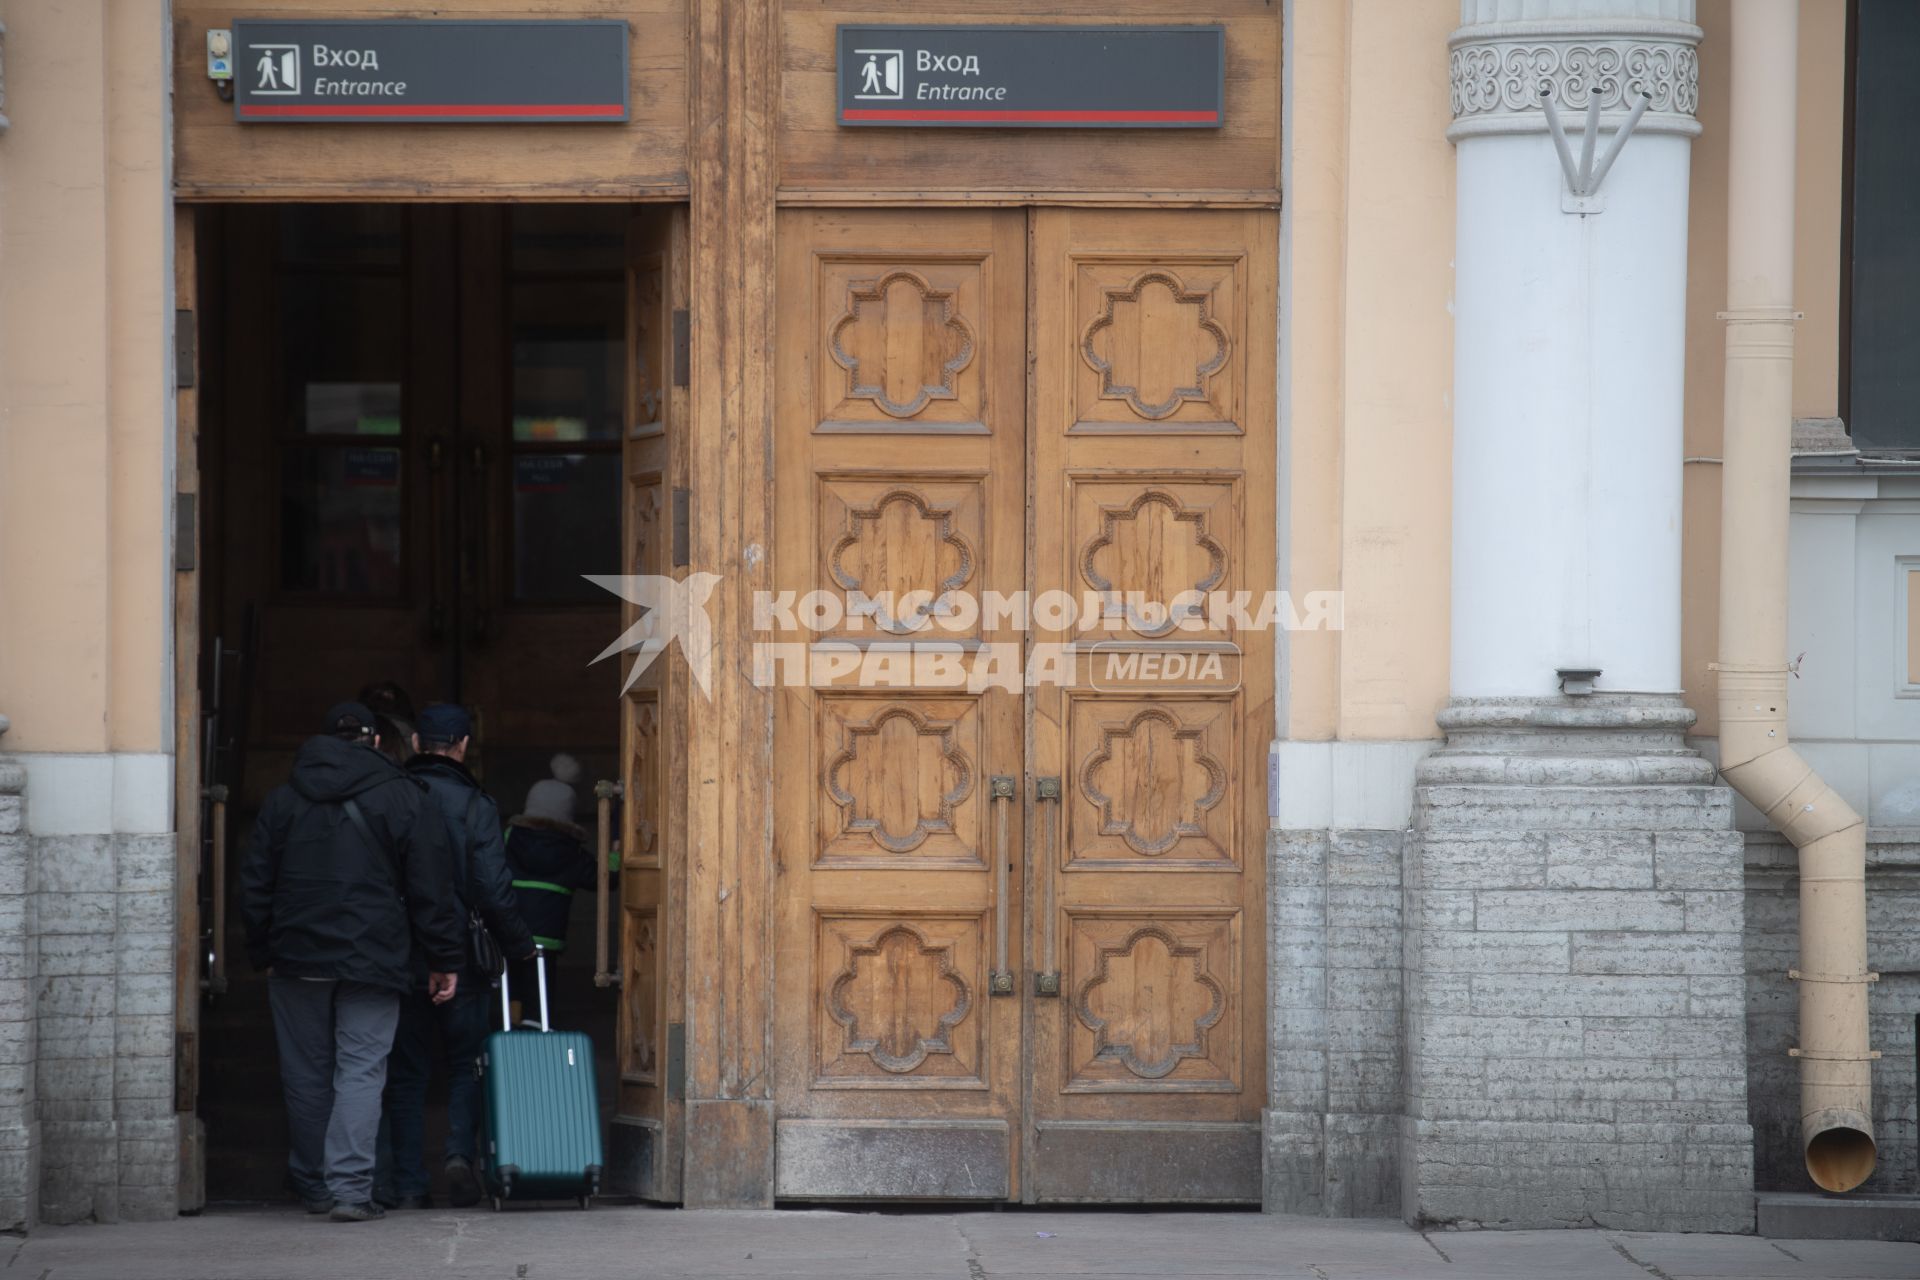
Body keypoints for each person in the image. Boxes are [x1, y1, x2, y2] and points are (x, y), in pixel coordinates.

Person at [241, 702, 463, 1224]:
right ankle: (350, 1190)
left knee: (306, 1075)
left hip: (296, 957)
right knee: (362, 1070)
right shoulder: (405, 797)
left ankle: (315, 1185)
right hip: (374, 955)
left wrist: (263, 951)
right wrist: (443, 957)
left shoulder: (282, 800)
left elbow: (255, 884)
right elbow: (431, 888)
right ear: (379, 744)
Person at [381, 703, 537, 1210]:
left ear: (418, 744)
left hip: (402, 954)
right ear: (464, 746)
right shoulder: (476, 805)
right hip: (463, 957)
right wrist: (518, 947)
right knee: (466, 1062)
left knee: (405, 1071)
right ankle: (457, 1155)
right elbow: (493, 889)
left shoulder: (393, 798)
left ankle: (407, 1181)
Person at [503, 754, 598, 1021]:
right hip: (548, 936)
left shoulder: (510, 838)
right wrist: (616, 854)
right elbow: (601, 878)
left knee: (512, 985)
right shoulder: (571, 850)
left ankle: (512, 1029)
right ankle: (538, 1032)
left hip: (511, 930)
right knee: (541, 991)